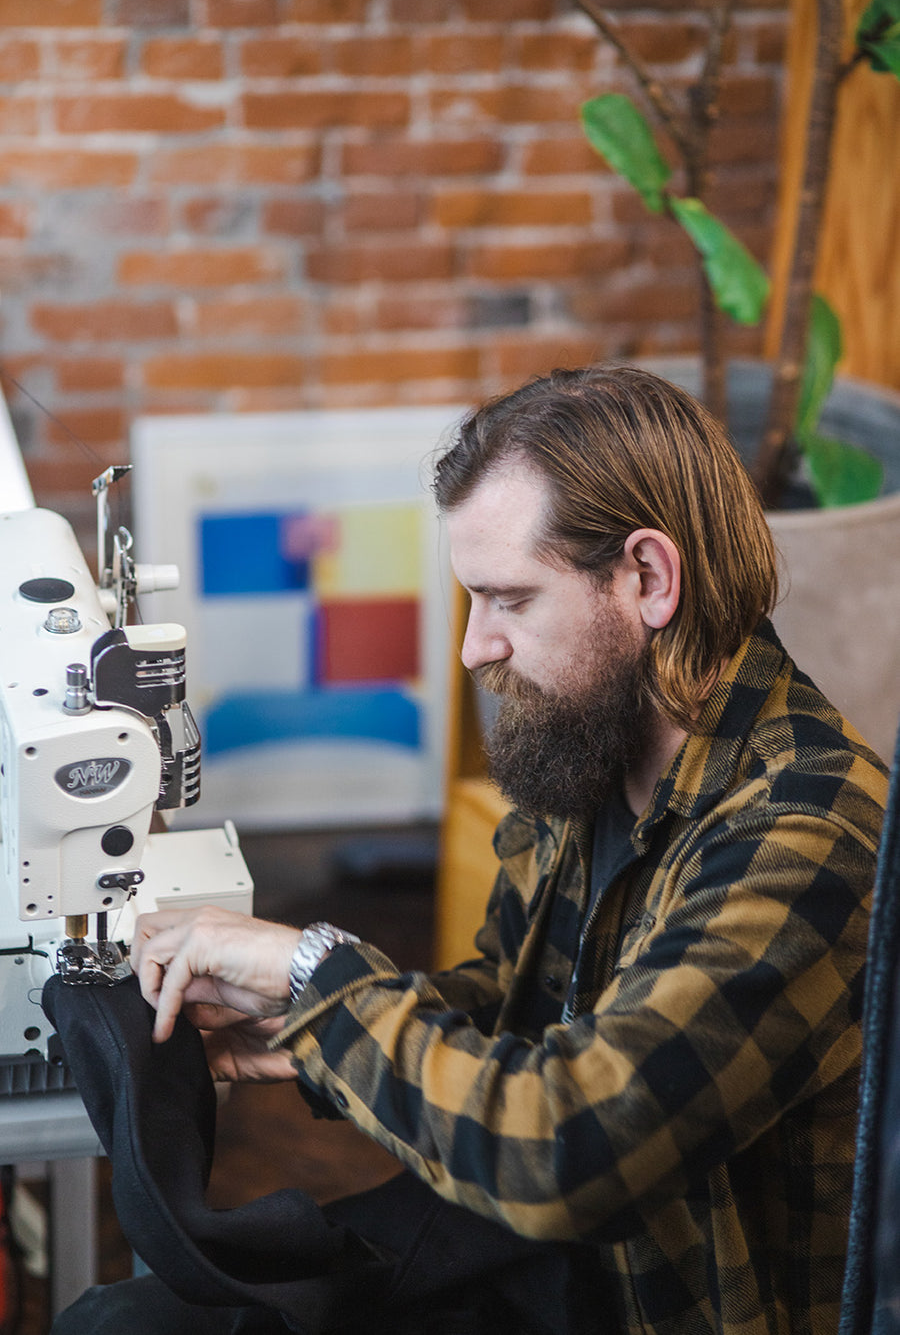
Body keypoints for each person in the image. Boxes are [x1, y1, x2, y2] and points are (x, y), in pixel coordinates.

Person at [54, 365, 887, 1334]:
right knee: (119, 1322)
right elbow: (515, 1013)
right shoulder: (592, 755)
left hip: (662, 1299)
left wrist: (320, 973)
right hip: (559, 1260)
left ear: (649, 580)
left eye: (510, 601)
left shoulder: (810, 832)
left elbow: (574, 1146)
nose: (471, 648)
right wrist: (301, 1026)